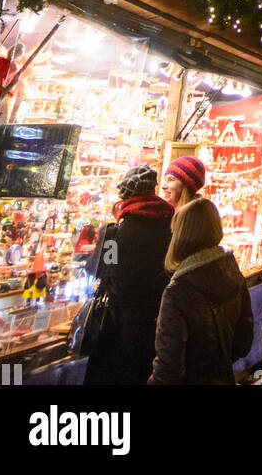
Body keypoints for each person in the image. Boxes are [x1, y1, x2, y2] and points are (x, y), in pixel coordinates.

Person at [84, 164, 174, 386]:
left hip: (121, 329)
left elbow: (101, 271)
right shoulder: (170, 227)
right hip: (160, 324)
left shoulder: (116, 234)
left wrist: (113, 226)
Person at [149, 197, 253, 385]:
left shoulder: (178, 292)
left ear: (180, 235)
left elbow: (168, 370)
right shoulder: (233, 274)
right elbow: (243, 342)